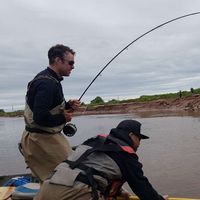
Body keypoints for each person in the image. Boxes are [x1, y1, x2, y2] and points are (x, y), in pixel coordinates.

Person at [34, 119, 168, 200]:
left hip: (46, 189)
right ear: (132, 135)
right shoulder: (126, 155)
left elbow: (89, 169)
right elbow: (142, 187)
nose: (139, 144)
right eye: (139, 139)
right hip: (74, 194)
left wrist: (119, 191)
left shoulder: (93, 141)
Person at [20, 44, 80, 182]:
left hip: (39, 138)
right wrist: (63, 117)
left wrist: (68, 105)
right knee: (71, 175)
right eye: (71, 62)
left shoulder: (47, 79)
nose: (73, 66)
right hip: (42, 140)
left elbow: (46, 107)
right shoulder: (47, 83)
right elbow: (40, 117)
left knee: (51, 179)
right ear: (58, 60)